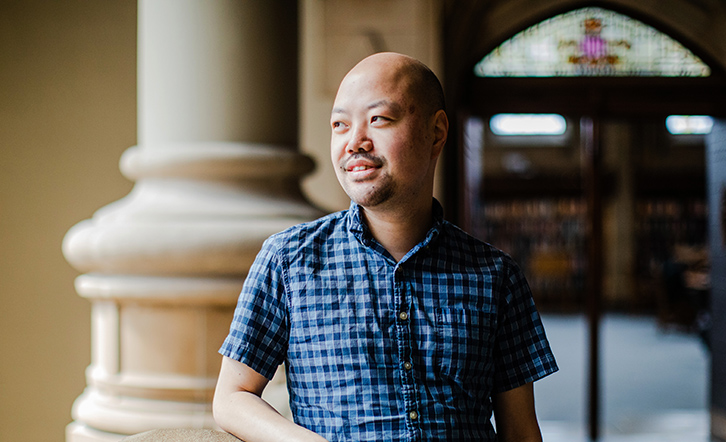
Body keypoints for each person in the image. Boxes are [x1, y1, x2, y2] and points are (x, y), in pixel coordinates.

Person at [213, 52, 558, 442]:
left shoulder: (497, 276)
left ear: (437, 132)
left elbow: (521, 432)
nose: (355, 142)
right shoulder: (288, 261)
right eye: (340, 125)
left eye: (378, 119)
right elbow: (232, 397)